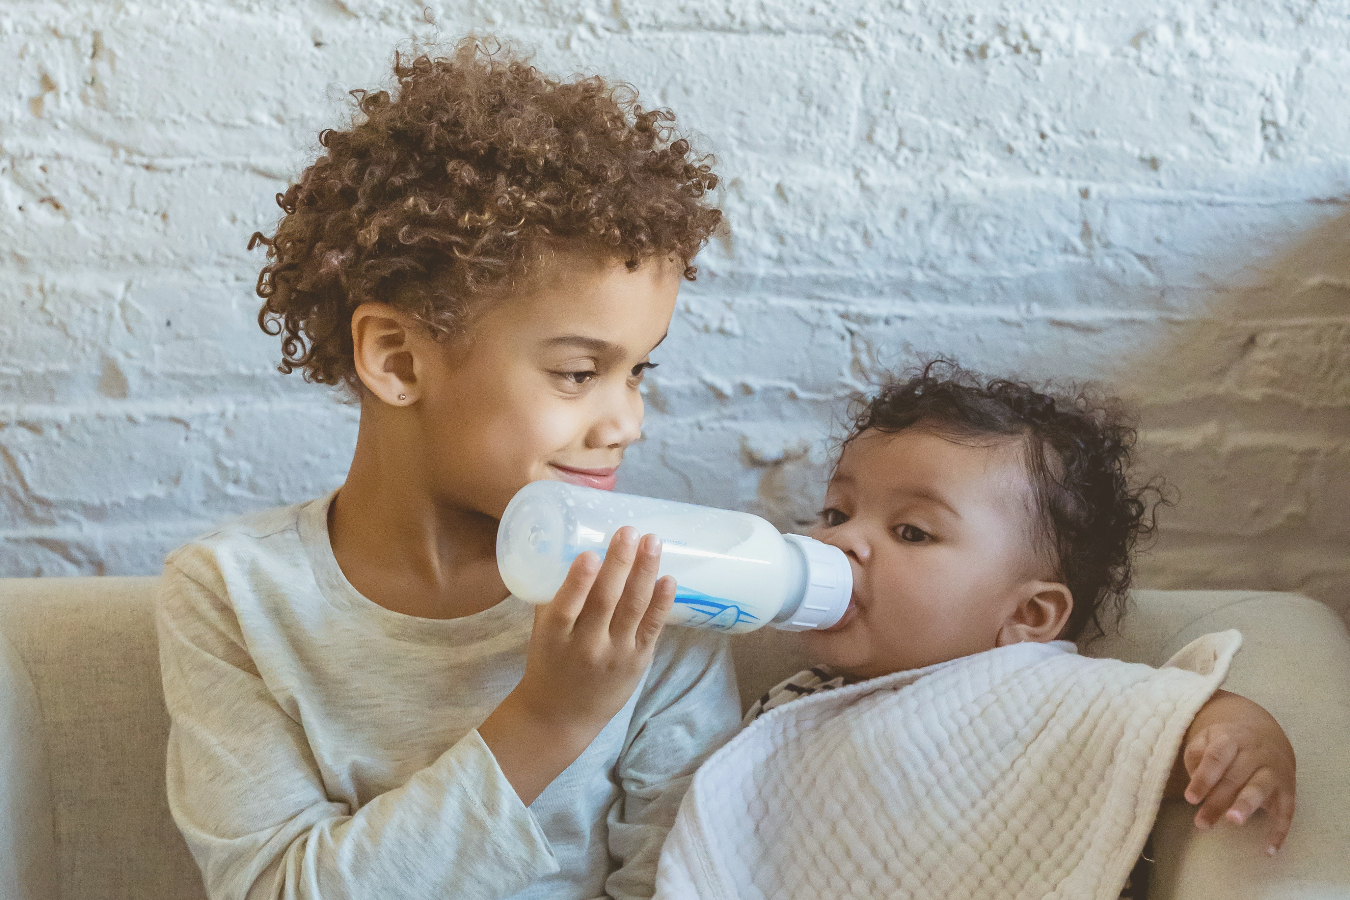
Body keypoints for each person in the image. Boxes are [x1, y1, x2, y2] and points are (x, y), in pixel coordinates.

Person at [155, 39, 740, 900]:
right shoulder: (233, 597)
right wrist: (549, 720)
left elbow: (683, 882)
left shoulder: (660, 595)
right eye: (579, 373)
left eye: (638, 370)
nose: (628, 422)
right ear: (396, 357)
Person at [655, 361, 1296, 900]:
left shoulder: (1059, 695)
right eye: (836, 511)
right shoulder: (792, 703)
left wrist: (1238, 733)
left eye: (911, 531)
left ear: (1029, 616)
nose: (841, 539)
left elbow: (1166, 710)